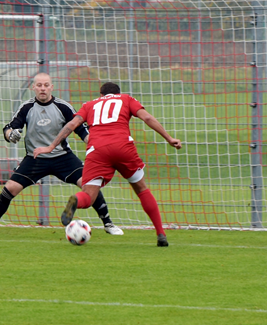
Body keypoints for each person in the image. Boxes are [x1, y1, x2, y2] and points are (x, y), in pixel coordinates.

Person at [0, 73, 123, 236]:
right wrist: (10, 134)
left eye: (46, 85)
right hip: (35, 159)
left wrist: (95, 145)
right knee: (10, 188)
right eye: (39, 85)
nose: (42, 88)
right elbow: (9, 128)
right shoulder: (26, 107)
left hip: (63, 157)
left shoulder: (63, 106)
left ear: (51, 87)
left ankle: (108, 224)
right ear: (33, 87)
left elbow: (81, 129)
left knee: (89, 185)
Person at [33, 81, 181, 247]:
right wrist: (169, 138)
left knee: (88, 196)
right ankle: (161, 234)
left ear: (101, 95)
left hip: (97, 150)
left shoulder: (90, 105)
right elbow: (146, 117)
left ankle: (77, 199)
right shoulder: (126, 99)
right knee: (141, 189)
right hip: (123, 147)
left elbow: (72, 124)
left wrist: (51, 146)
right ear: (118, 93)